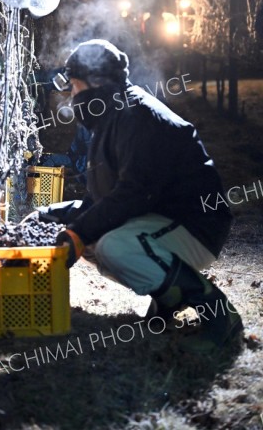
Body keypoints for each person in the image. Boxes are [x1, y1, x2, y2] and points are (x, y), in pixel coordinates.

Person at [35, 38, 243, 354]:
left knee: (113, 245)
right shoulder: (112, 118)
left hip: (196, 225)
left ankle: (218, 313)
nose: (72, 97)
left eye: (75, 87)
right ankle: (167, 302)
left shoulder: (137, 116)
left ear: (94, 84)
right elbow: (107, 198)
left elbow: (133, 194)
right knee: (96, 238)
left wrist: (79, 231)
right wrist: (55, 215)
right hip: (161, 221)